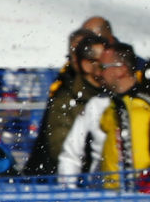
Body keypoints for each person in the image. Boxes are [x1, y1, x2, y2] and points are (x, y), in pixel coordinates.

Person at [60, 41, 150, 188]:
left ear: (122, 70)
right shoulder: (95, 105)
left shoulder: (145, 104)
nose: (98, 73)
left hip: (142, 199)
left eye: (103, 67)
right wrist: (68, 193)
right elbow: (71, 155)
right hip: (103, 198)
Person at [45, 34, 113, 178]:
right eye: (104, 62)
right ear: (87, 65)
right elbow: (63, 152)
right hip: (77, 187)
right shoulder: (66, 100)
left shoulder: (110, 98)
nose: (109, 67)